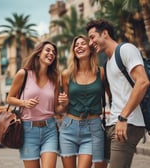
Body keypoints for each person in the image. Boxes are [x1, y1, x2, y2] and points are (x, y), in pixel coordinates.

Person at [86, 19, 150, 168]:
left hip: (128, 123)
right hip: (113, 124)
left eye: (92, 36)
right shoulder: (108, 63)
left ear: (105, 33)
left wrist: (123, 117)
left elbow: (143, 82)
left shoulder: (125, 49)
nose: (90, 42)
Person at [7, 41, 61, 168]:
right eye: (48, 50)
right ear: (38, 53)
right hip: (27, 130)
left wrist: (63, 102)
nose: (51, 53)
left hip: (50, 130)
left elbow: (56, 108)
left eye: (54, 52)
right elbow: (9, 98)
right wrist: (24, 103)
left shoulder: (55, 78)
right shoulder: (23, 74)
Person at [58, 35, 107, 168]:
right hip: (69, 128)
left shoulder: (101, 73)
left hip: (93, 129)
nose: (78, 46)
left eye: (83, 43)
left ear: (90, 49)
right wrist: (64, 103)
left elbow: (111, 97)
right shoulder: (66, 74)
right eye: (76, 45)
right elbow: (62, 108)